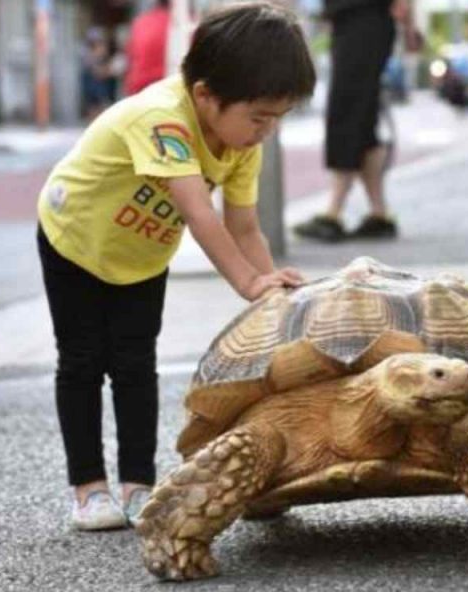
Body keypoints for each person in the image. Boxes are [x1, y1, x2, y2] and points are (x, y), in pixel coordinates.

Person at [36, 2, 314, 531]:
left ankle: (140, 486)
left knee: (136, 363)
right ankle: (89, 489)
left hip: (139, 255)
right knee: (82, 361)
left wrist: (272, 295)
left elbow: (245, 226)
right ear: (205, 95)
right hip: (74, 238)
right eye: (259, 117)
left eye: (277, 119)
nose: (266, 131)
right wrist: (248, 282)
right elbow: (198, 214)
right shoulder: (162, 118)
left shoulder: (241, 142)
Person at [293, 0, 411, 242]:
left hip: (364, 17)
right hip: (355, 19)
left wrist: (407, 18)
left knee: (346, 112)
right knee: (363, 119)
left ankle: (334, 212)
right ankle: (379, 213)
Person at [125, 0, 170, 96]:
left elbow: (130, 57)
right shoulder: (178, 25)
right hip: (165, 87)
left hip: (138, 88)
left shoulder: (140, 22)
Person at [81, 28, 113, 121]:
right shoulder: (88, 53)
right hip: (93, 84)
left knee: (100, 105)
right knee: (94, 106)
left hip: (100, 84)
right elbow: (96, 71)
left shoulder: (100, 53)